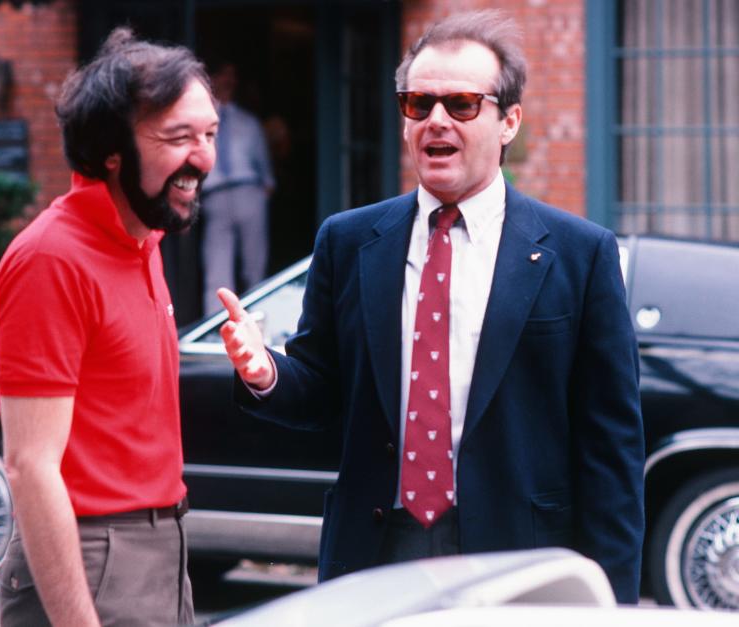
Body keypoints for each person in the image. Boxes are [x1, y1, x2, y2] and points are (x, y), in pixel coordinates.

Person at [217, 9, 644, 604]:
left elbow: (611, 452)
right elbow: (320, 389)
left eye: (462, 104)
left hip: (519, 558)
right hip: (376, 552)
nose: (436, 120)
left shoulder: (579, 254)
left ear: (508, 121)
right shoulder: (348, 240)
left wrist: (611, 605)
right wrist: (265, 373)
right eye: (420, 104)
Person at [0, 28, 216, 626]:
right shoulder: (51, 258)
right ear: (111, 150)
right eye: (179, 137)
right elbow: (30, 466)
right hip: (92, 552)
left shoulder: (145, 239)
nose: (205, 158)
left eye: (210, 134)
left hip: (164, 545)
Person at [201, 62, 276, 315]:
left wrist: (265, 189)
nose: (228, 81)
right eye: (223, 75)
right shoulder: (200, 121)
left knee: (255, 265)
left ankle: (257, 324)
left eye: (232, 76)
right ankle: (216, 328)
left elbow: (263, 164)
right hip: (215, 196)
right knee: (217, 266)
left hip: (249, 191)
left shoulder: (248, 121)